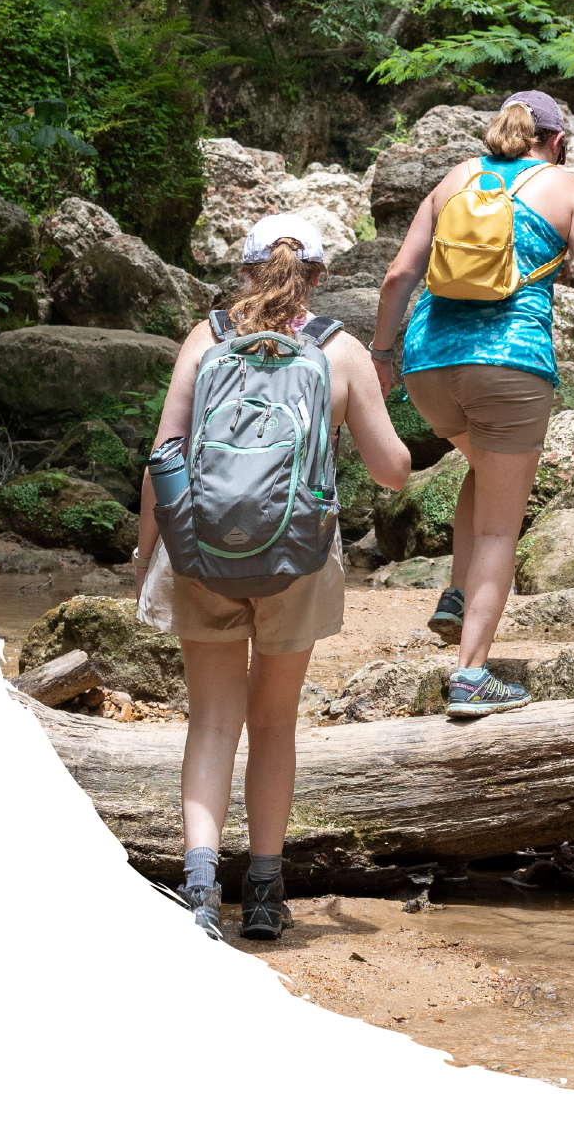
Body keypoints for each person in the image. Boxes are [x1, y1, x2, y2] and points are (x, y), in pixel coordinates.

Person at [135, 213, 413, 941]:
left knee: (212, 721)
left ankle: (199, 891)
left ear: (246, 271)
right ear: (317, 278)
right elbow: (393, 473)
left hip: (201, 557)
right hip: (299, 559)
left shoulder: (207, 339)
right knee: (273, 724)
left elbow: (162, 460)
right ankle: (263, 891)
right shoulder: (339, 351)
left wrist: (148, 558)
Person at [370, 90, 574, 719]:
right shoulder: (562, 186)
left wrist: (382, 356)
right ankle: (469, 677)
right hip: (509, 367)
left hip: (430, 365)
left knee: (483, 471)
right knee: (499, 526)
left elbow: (397, 277)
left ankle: (457, 595)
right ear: (557, 139)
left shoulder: (455, 178)